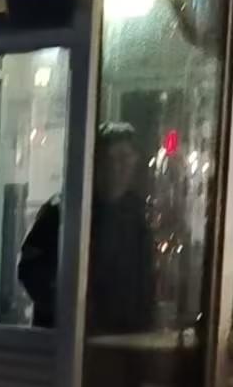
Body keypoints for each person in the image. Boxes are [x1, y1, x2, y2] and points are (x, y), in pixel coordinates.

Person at [18, 121, 155, 333]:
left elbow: (145, 279)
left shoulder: (137, 214)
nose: (118, 168)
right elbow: (30, 271)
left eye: (125, 159)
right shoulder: (61, 211)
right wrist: (69, 308)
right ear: (96, 163)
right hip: (70, 336)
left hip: (121, 338)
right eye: (111, 159)